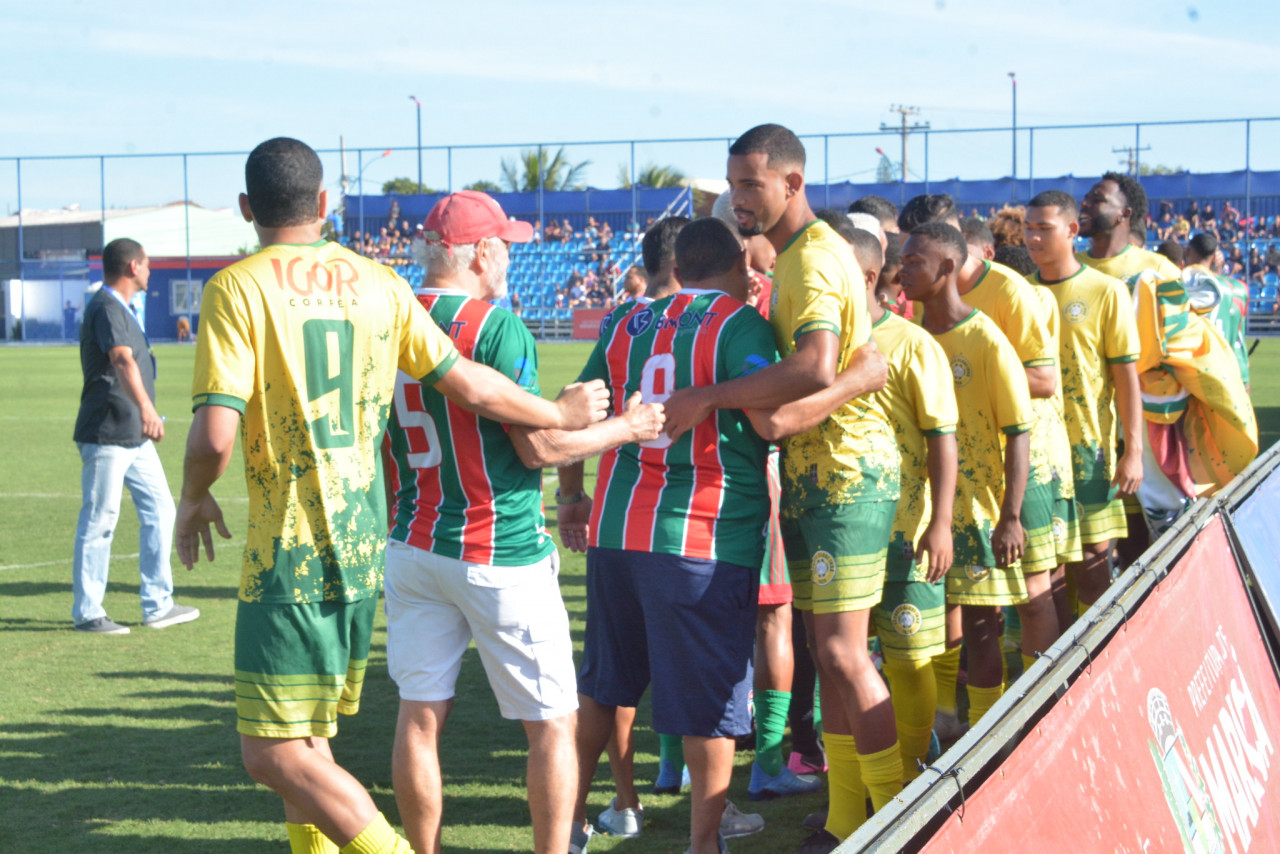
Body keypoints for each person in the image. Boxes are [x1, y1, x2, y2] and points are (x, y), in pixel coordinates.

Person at [173, 137, 608, 854]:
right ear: (323, 205)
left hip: (297, 549)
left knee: (270, 752)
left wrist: (193, 497)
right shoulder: (379, 283)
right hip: (364, 542)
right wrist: (560, 413)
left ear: (247, 209)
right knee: (305, 736)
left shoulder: (238, 287)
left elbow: (213, 438)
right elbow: (469, 383)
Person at [562, 217, 884, 854]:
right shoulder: (741, 325)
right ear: (740, 264)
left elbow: (579, 402)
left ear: (678, 268)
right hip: (701, 535)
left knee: (603, 686)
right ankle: (704, 841)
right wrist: (856, 379)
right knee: (708, 702)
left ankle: (566, 827)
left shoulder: (627, 321)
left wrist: (573, 497)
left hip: (618, 530)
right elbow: (772, 421)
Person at [382, 191, 664, 854]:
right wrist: (623, 427)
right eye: (504, 243)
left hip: (414, 541)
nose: (510, 256)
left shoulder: (391, 320)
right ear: (481, 252)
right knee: (551, 725)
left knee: (419, 719)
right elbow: (536, 448)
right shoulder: (496, 328)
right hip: (496, 547)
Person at [665, 124, 899, 854]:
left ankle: (900, 817)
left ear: (792, 184)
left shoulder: (818, 260)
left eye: (750, 186)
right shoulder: (796, 256)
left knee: (844, 657)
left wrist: (711, 396)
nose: (736, 199)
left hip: (846, 480)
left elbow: (817, 364)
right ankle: (848, 818)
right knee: (827, 657)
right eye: (733, 184)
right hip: (813, 479)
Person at [899, 222, 1033, 730]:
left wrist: (1011, 516)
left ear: (949, 267)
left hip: (976, 512)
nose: (903, 269)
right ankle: (942, 724)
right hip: (915, 510)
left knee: (981, 627)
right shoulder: (905, 336)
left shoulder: (985, 340)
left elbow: (1019, 432)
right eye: (903, 260)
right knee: (927, 626)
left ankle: (986, 734)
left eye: (915, 261)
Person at [849, 227, 959, 783]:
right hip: (841, 530)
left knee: (909, 655)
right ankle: (849, 812)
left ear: (868, 276)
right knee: (841, 662)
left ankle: (918, 775)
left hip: (906, 530)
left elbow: (943, 437)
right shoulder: (811, 341)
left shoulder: (914, 345)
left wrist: (940, 523)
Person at [71, 238, 199, 635]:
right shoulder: (106, 307)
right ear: (132, 267)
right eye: (146, 264)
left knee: (160, 510)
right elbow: (122, 360)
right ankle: (89, 612)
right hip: (107, 430)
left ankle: (158, 605)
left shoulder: (120, 307)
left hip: (134, 436)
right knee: (100, 518)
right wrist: (147, 409)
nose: (150, 271)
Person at [1026, 190, 1143, 615]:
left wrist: (1133, 452)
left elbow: (1127, 380)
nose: (1033, 238)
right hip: (1040, 461)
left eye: (1044, 229)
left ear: (1073, 230)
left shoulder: (1106, 291)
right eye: (1028, 228)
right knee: (1048, 579)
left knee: (1094, 575)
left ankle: (1101, 674)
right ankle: (1058, 680)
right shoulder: (1020, 294)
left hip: (1090, 456)